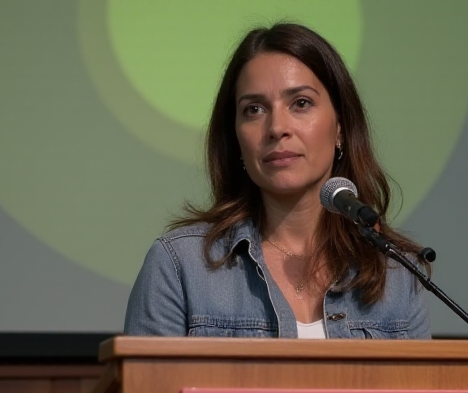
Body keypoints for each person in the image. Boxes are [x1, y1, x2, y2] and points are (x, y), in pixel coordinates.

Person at [124, 23, 430, 339]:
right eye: (254, 109)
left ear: (340, 127)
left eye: (301, 103)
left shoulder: (398, 275)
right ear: (235, 137)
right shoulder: (180, 266)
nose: (276, 128)